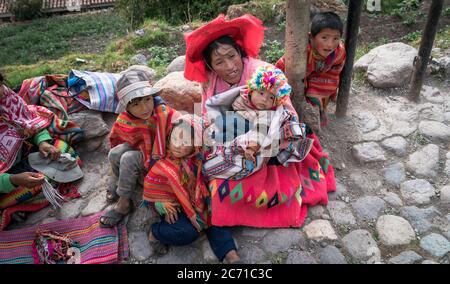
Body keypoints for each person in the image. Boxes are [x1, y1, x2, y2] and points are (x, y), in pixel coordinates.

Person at [184, 14, 336, 229]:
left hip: (270, 138)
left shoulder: (264, 73)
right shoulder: (210, 82)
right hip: (234, 140)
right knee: (217, 187)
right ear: (211, 66)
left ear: (239, 52)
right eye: (219, 62)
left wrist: (262, 140)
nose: (229, 66)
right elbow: (209, 115)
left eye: (232, 56)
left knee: (267, 184)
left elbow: (286, 112)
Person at [143, 114, 241, 263]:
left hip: (200, 202)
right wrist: (160, 205)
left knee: (216, 215)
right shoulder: (162, 164)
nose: (176, 145)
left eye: (184, 142)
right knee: (187, 233)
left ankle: (230, 254)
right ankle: (155, 232)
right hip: (174, 208)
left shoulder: (201, 159)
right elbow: (152, 190)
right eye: (174, 139)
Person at [100, 67, 179, 228]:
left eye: (148, 100)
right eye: (136, 104)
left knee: (128, 159)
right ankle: (122, 181)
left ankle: (124, 203)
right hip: (143, 153)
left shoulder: (163, 114)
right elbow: (117, 139)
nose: (144, 108)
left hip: (159, 159)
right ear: (126, 106)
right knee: (115, 153)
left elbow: (176, 143)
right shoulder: (125, 119)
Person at [0, 72, 63, 230]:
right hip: (6, 178)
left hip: (19, 160)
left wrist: (42, 142)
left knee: (61, 150)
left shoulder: (7, 99)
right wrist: (13, 180)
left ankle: (16, 204)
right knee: (43, 179)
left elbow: (28, 122)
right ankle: (13, 206)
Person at [275, 11, 346, 126]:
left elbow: (336, 69)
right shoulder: (301, 52)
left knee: (322, 88)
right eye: (324, 37)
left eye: (335, 38)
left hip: (323, 76)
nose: (330, 44)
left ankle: (318, 110)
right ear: (311, 38)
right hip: (302, 78)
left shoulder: (339, 52)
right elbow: (282, 66)